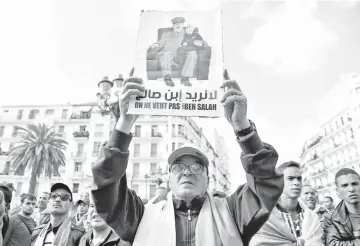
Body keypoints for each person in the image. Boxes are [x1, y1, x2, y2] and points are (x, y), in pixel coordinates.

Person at [91, 74, 284, 245]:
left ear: (208, 178)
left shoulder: (233, 212)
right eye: (178, 167)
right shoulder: (140, 216)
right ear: (169, 179)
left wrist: (243, 126)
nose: (186, 172)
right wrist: (124, 124)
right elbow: (107, 187)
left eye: (196, 167)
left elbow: (265, 183)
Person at [249, 161, 324, 246]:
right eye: (290, 178)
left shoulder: (312, 217)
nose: (296, 183)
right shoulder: (265, 218)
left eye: (299, 178)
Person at [150, 17, 204, 87]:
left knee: (193, 53)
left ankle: (185, 78)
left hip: (183, 57)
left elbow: (201, 41)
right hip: (170, 58)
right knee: (165, 53)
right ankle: (167, 78)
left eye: (180, 24)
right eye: (176, 24)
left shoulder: (188, 33)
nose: (178, 25)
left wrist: (201, 44)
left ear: (183, 25)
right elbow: (160, 43)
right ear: (173, 25)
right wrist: (156, 44)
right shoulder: (167, 34)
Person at [323, 168, 360, 245]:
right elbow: (332, 244)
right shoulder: (331, 219)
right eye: (345, 185)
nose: (351, 189)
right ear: (338, 192)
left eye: (354, 184)